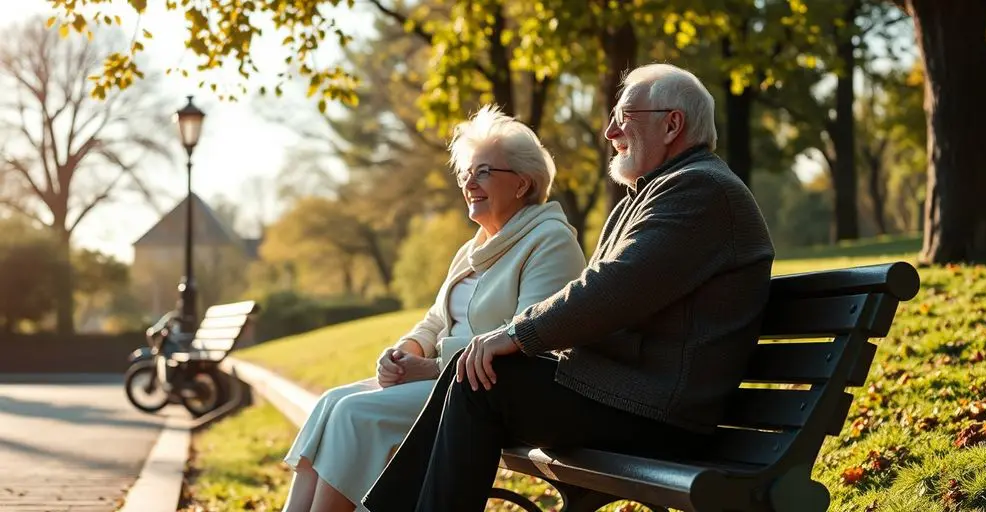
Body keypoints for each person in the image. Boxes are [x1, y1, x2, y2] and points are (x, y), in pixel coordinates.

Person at [362, 63, 777, 511]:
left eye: (625, 116)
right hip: (627, 394)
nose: (609, 130)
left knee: (480, 380)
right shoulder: (658, 193)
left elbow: (610, 290)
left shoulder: (701, 191)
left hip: (660, 413)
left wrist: (515, 334)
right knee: (473, 370)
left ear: (671, 123)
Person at [280, 105, 587, 512]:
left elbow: (529, 338)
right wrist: (406, 351)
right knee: (331, 402)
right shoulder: (474, 246)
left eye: (483, 172)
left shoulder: (550, 241)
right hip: (441, 380)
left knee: (356, 414)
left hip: (486, 392)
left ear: (522, 184)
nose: (469, 184)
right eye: (465, 174)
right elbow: (436, 321)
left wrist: (432, 365)